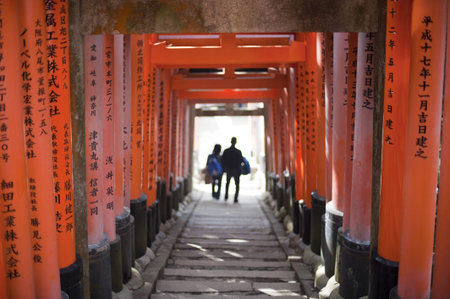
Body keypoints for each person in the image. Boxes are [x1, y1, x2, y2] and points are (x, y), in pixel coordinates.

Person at [221, 137, 244, 203]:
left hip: (229, 170)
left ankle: (226, 196)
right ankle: (235, 198)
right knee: (237, 184)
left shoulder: (226, 151)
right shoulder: (238, 152)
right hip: (236, 170)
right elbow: (242, 161)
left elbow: (223, 160)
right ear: (235, 142)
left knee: (227, 183)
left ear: (231, 141)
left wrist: (224, 169)